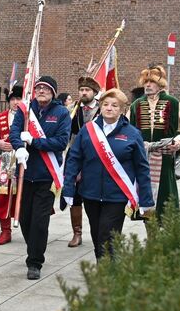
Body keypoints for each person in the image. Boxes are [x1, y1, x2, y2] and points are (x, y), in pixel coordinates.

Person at [62, 89, 154, 260]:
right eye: (105, 104)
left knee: (107, 237)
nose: (109, 108)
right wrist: (68, 189)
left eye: (114, 105)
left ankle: (106, 278)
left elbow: (142, 168)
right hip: (90, 194)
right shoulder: (88, 130)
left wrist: (146, 199)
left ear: (121, 109)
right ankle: (106, 271)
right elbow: (74, 159)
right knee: (97, 236)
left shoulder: (132, 134)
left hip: (117, 197)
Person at [9, 75, 71, 280]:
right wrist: (19, 147)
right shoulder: (25, 110)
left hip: (47, 176)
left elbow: (61, 142)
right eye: (38, 88)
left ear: (53, 92)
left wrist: (35, 142)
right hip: (25, 173)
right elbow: (14, 132)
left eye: (45, 88)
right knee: (25, 219)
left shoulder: (61, 113)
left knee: (39, 221)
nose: (41, 91)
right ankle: (33, 247)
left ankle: (34, 262)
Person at [128, 65, 180, 219]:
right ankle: (151, 237)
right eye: (145, 82)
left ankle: (166, 232)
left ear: (160, 84)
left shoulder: (173, 102)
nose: (147, 85)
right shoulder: (136, 104)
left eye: (151, 82)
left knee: (166, 197)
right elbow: (128, 130)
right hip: (142, 157)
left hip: (165, 158)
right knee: (145, 199)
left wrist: (178, 142)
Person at [63, 76, 102, 247]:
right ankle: (77, 233)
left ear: (95, 92)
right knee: (75, 194)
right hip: (75, 154)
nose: (84, 93)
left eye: (87, 90)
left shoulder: (102, 109)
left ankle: (100, 232)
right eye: (81, 90)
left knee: (95, 193)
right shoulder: (72, 109)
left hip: (96, 156)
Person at [0, 84, 23, 245]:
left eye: (19, 99)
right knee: (3, 196)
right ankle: (5, 231)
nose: (16, 102)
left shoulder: (30, 117)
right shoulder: (1, 117)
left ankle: (29, 229)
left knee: (24, 196)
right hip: (6, 163)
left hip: (24, 162)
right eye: (13, 99)